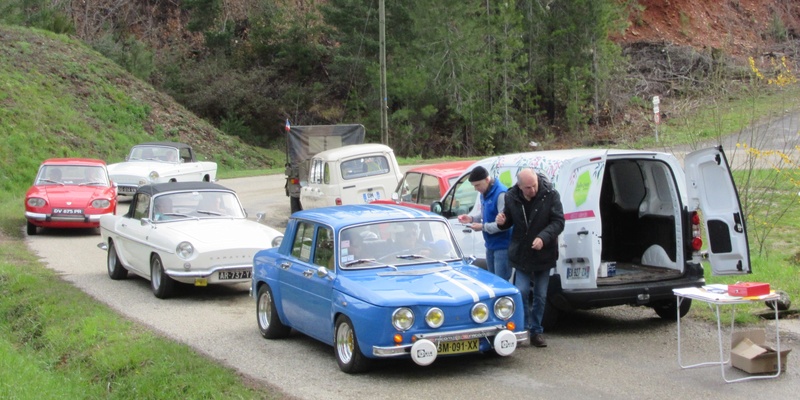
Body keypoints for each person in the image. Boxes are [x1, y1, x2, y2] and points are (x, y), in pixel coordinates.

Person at [496, 168, 564, 348]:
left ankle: (536, 331)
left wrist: (543, 237)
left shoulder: (550, 194)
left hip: (544, 253)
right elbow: (508, 220)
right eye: (528, 188)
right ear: (520, 186)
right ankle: (523, 328)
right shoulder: (511, 196)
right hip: (521, 254)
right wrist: (502, 222)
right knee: (522, 291)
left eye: (534, 186)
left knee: (540, 295)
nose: (532, 190)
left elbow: (558, 222)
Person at [457, 166, 512, 281]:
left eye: (477, 185)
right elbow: (486, 214)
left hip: (502, 246)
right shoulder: (484, 192)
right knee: (491, 280)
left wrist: (483, 227)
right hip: (490, 244)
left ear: (487, 180)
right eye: (474, 186)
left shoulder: (501, 194)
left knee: (500, 282)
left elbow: (504, 224)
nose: (476, 189)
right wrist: (471, 218)